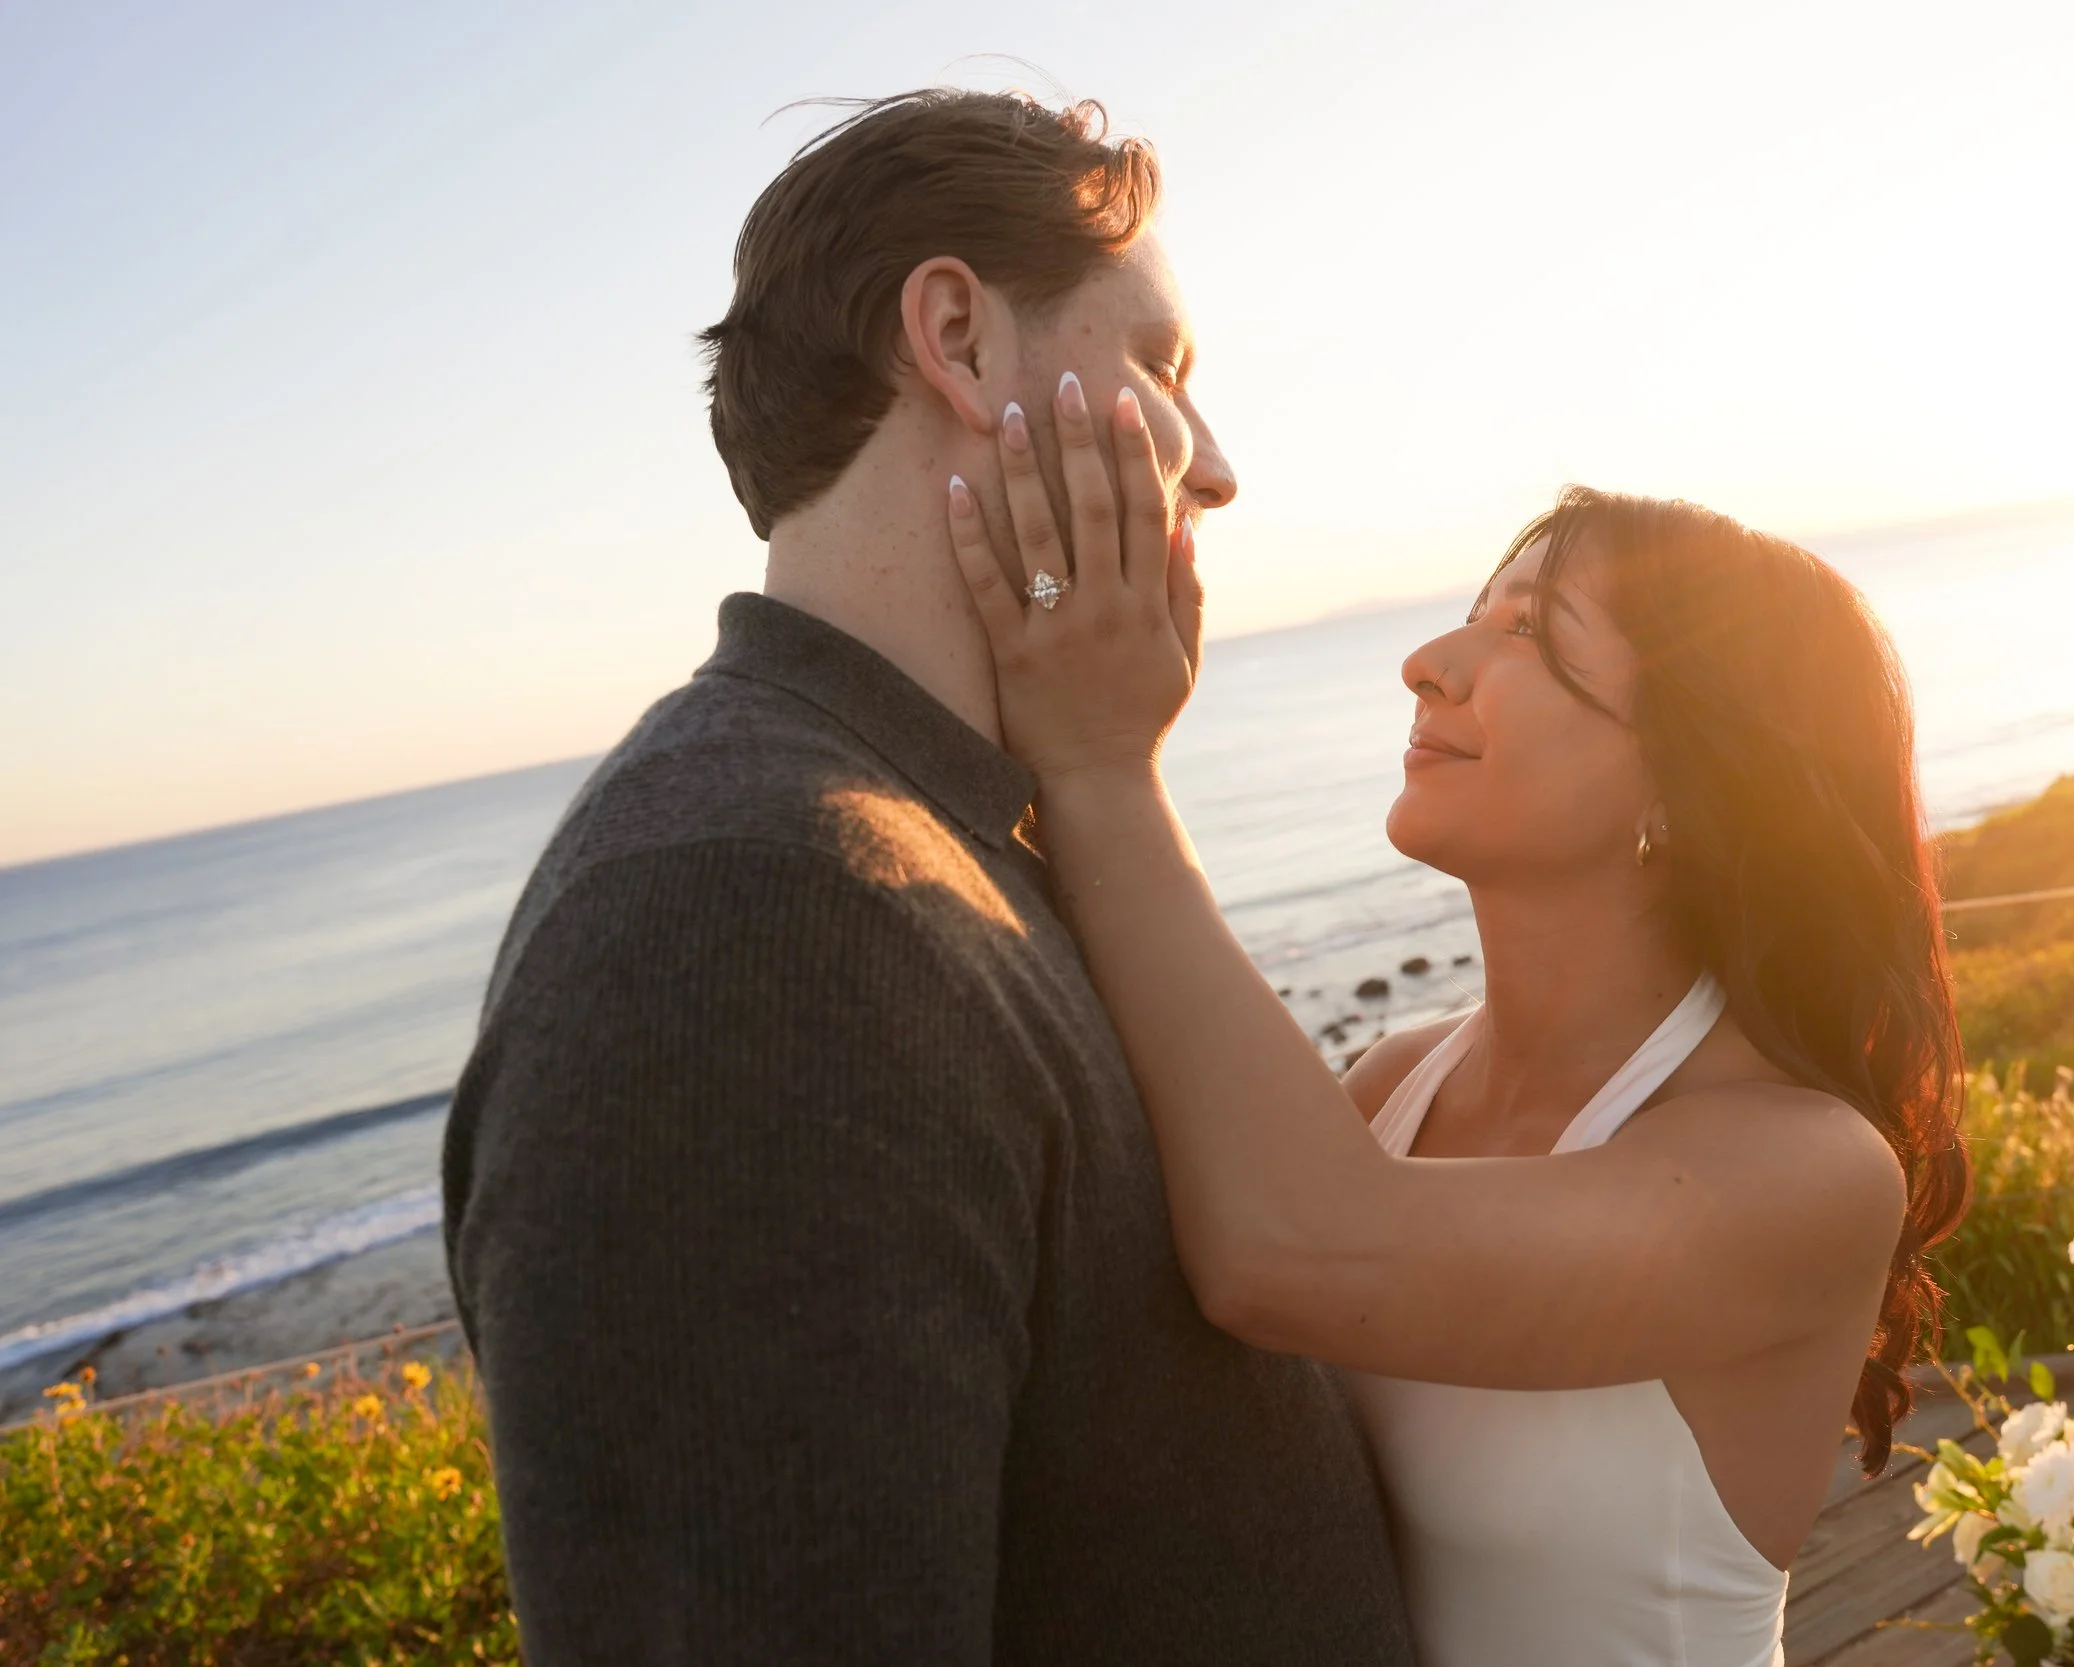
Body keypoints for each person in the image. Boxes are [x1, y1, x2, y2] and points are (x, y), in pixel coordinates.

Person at [439, 90, 1415, 1665]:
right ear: (958, 340)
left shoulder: (935, 836)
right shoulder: (748, 919)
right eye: (1162, 368)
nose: (1216, 468)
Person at [940, 383, 1973, 1665]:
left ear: (1692, 774)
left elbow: (1288, 1251)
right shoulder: (1389, 1087)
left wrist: (1099, 757)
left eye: (1532, 634)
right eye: (1471, 616)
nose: (1428, 660)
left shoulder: (1801, 1170)